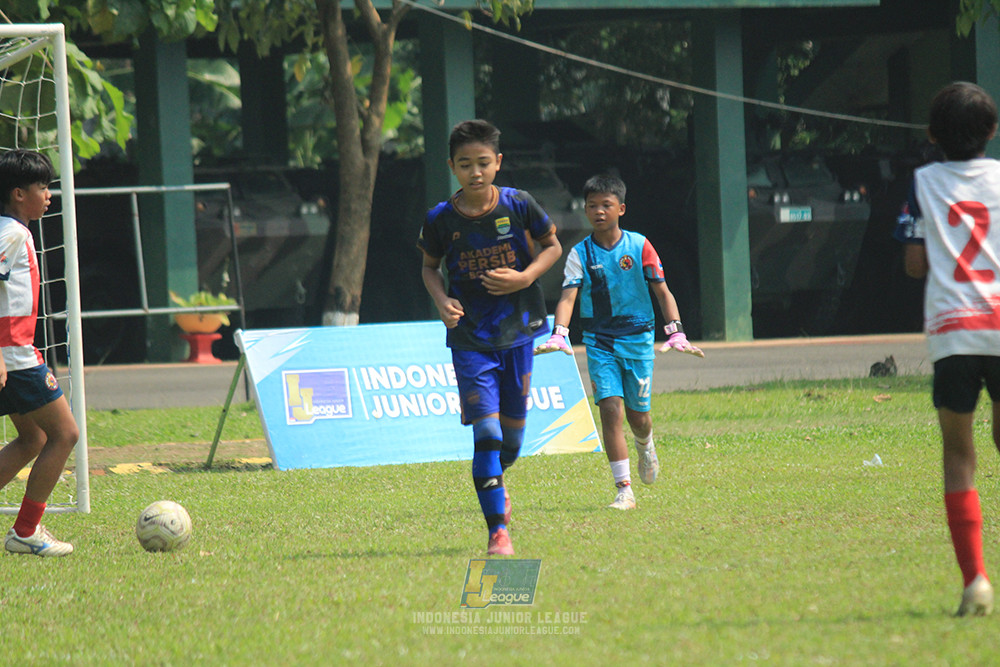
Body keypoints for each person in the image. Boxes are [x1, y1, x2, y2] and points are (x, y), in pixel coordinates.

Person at [417, 120, 562, 556]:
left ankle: (498, 483)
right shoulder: (441, 219)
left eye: (483, 163)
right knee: (487, 434)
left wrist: (524, 278)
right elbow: (428, 268)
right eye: (465, 165)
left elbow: (553, 246)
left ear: (498, 163)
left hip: (518, 332)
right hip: (470, 340)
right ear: (452, 167)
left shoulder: (519, 205)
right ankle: (498, 531)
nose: (475, 172)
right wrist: (443, 301)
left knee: (512, 442)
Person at [535, 173, 702, 510]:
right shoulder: (579, 254)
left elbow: (662, 291)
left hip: (638, 340)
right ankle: (624, 489)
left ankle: (645, 443)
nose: (598, 211)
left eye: (606, 205)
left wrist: (677, 331)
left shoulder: (640, 246)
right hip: (600, 342)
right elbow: (568, 298)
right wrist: (560, 333)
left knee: (638, 417)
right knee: (610, 410)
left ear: (621, 209)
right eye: (592, 206)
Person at [895, 81, 1000, 616]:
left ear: (933, 134)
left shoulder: (923, 182)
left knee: (960, 454)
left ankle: (976, 582)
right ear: (992, 130)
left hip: (955, 330)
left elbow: (915, 264)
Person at [0, 149, 80, 557]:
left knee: (33, 437)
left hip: (11, 355)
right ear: (18, 193)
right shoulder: (12, 233)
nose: (49, 194)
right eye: (42, 186)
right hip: (14, 357)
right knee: (65, 434)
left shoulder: (14, 231)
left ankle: (25, 531)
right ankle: (26, 532)